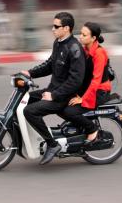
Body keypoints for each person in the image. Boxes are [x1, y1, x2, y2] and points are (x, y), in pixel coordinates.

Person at [22, 12, 86, 165]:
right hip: (53, 90)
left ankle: (52, 144)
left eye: (56, 26)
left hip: (63, 97)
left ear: (66, 28)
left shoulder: (74, 48)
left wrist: (54, 95)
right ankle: (33, 137)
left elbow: (75, 80)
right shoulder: (58, 43)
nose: (52, 29)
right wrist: (30, 73)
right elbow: (50, 65)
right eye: (53, 25)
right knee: (25, 98)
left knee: (29, 111)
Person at [60, 22, 112, 144]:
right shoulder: (85, 50)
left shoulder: (99, 53)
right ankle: (77, 129)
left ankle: (92, 129)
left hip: (100, 91)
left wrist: (83, 99)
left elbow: (96, 80)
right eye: (81, 33)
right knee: (60, 103)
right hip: (87, 88)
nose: (80, 37)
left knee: (69, 111)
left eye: (84, 35)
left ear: (93, 38)